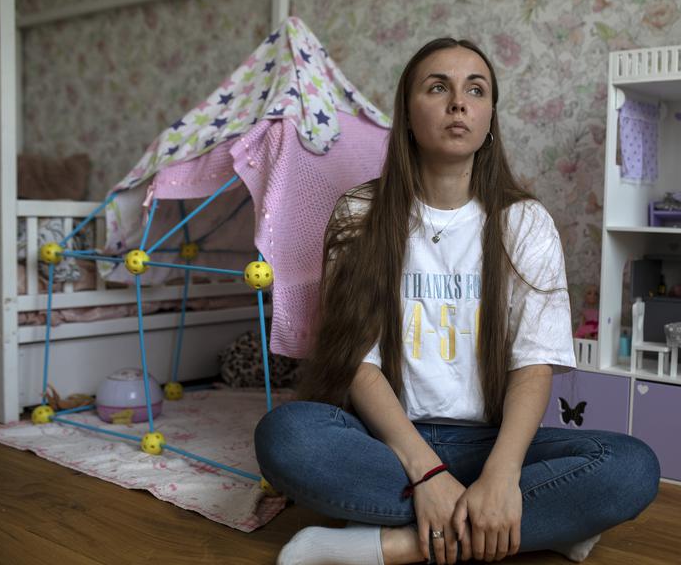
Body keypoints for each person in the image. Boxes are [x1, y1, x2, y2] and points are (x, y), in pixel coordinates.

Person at [255, 37, 659, 565]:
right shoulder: (360, 211)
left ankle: (392, 544)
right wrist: (425, 472)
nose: (458, 102)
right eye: (438, 87)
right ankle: (530, 526)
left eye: (476, 89)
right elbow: (358, 364)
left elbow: (534, 365)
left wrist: (501, 475)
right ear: (407, 111)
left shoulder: (525, 221)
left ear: (490, 115)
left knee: (630, 467)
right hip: (389, 443)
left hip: (491, 443)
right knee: (286, 437)